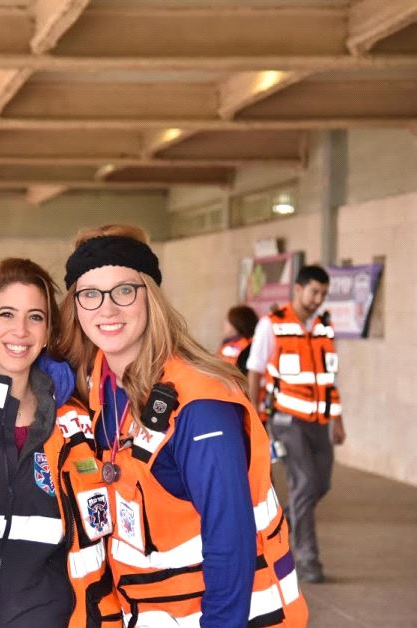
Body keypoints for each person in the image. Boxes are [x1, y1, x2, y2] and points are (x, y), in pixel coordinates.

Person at [59, 225, 307, 628]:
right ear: (76, 306)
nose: (107, 309)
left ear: (150, 297)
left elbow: (230, 543)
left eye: (124, 290)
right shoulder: (101, 382)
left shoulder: (200, 405)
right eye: (90, 294)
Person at [0, 258, 120, 627]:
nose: (20, 331)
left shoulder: (76, 421)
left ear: (48, 330)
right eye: (6, 314)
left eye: (35, 317)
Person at [246, 265, 344, 584]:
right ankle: (307, 559)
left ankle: (281, 526)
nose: (318, 299)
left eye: (323, 294)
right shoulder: (271, 325)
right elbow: (256, 371)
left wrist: (338, 420)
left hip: (319, 421)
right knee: (303, 484)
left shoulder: (324, 329)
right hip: (287, 420)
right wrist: (254, 417)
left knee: (321, 484)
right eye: (314, 291)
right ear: (298, 289)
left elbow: (329, 378)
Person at [217, 304, 259, 375]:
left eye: (228, 321)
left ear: (237, 323)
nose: (224, 324)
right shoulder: (227, 343)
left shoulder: (250, 346)